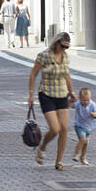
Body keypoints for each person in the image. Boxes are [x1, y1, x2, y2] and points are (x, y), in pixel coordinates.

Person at [28, 32, 76, 171]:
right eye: (62, 46)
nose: (64, 49)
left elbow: (67, 76)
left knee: (64, 129)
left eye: (67, 47)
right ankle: (42, 148)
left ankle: (59, 161)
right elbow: (33, 75)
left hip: (62, 95)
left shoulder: (65, 56)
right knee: (55, 128)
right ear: (56, 43)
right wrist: (31, 95)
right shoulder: (44, 55)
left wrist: (72, 93)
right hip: (47, 94)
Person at [72, 88, 96, 166]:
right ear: (80, 98)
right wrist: (71, 99)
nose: (85, 102)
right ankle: (76, 154)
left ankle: (83, 157)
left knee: (86, 143)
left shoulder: (93, 104)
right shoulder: (78, 103)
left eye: (87, 100)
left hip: (89, 127)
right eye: (83, 100)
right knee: (82, 139)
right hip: (79, 125)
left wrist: (94, 115)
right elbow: (71, 105)